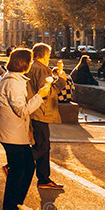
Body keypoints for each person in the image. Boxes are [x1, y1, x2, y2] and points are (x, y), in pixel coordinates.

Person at [0, 48, 52, 210]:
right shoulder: (13, 82)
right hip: (11, 133)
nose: (32, 62)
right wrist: (40, 96)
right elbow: (22, 110)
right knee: (18, 170)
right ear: (24, 63)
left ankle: (17, 202)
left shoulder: (14, 79)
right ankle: (10, 207)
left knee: (27, 167)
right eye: (30, 60)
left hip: (14, 132)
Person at [27, 43, 63, 191]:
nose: (50, 57)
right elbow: (47, 92)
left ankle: (44, 178)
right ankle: (15, 164)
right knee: (42, 147)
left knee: (43, 146)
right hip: (41, 111)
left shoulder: (32, 67)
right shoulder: (42, 70)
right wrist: (61, 79)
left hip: (35, 110)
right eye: (49, 54)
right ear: (44, 54)